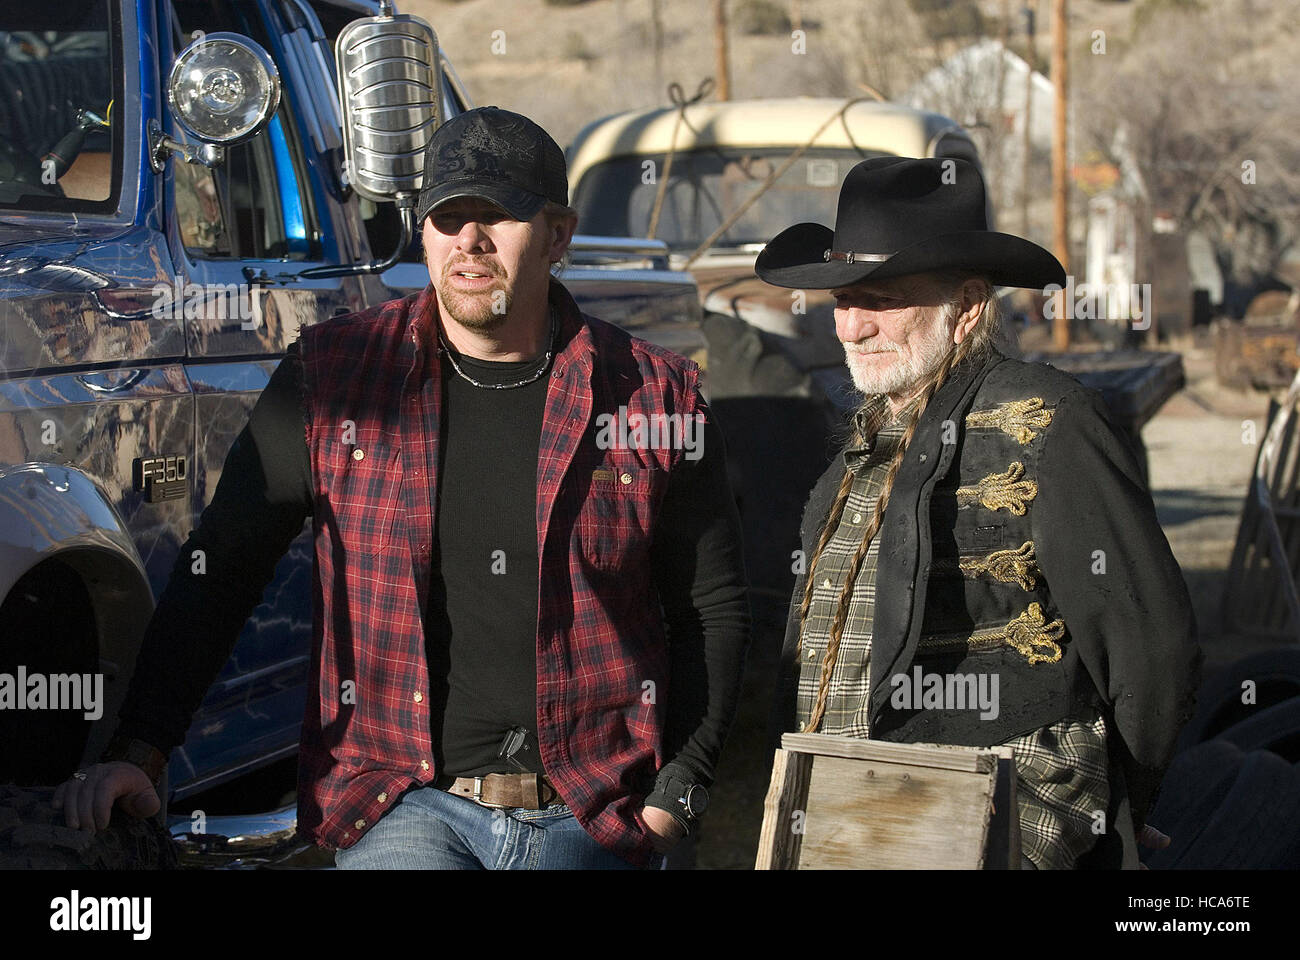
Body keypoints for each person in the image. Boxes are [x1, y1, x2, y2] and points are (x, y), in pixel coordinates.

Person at [54, 107, 750, 870]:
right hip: (402, 805)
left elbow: (708, 609)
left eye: (498, 217)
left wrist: (674, 795)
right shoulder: (336, 378)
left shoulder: (655, 397)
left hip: (591, 809)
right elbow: (222, 566)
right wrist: (139, 751)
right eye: (448, 217)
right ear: (422, 234)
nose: (470, 242)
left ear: (558, 235)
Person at [757, 156, 1200, 869]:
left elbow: (1150, 642)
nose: (851, 328)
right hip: (847, 827)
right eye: (841, 301)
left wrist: (1119, 800)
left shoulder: (1050, 422)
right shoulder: (856, 454)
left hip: (992, 827)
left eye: (880, 299)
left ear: (965, 307)